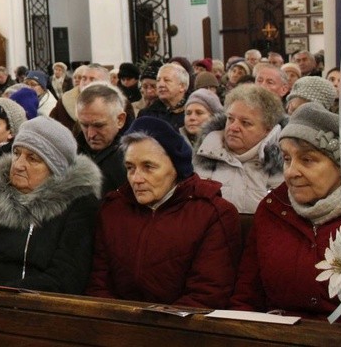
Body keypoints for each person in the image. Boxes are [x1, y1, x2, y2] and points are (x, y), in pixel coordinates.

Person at [87, 117, 240, 307]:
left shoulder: (212, 213)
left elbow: (207, 293)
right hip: (115, 326)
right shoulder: (113, 209)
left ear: (176, 168)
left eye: (148, 167)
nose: (136, 178)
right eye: (130, 168)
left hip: (180, 330)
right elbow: (98, 283)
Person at [0, 117, 102, 294]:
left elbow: (66, 276)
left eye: (33, 158)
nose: (19, 165)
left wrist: (3, 295)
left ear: (55, 169)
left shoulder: (78, 205)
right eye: (17, 153)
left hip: (37, 306)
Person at [230, 103, 341, 319]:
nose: (291, 172)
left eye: (307, 160)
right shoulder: (273, 208)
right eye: (286, 159)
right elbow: (246, 296)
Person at [194, 84, 285, 214]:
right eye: (230, 119)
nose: (233, 127)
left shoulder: (282, 164)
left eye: (245, 123)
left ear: (268, 130)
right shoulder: (205, 154)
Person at [76, 83, 131, 195]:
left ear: (120, 120)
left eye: (99, 125)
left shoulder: (132, 159)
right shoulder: (70, 153)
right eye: (85, 125)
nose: (91, 135)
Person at [138, 63, 189, 128]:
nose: (160, 84)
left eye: (167, 80)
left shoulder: (193, 112)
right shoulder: (146, 115)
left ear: (182, 86)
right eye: (158, 80)